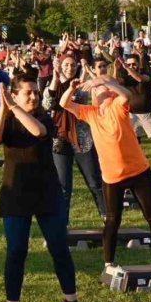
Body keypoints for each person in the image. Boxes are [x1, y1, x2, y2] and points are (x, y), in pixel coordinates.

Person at [0, 75, 81, 302]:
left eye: (35, 93)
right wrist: (4, 108)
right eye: (27, 93)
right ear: (14, 94)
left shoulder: (43, 117)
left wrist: (15, 107)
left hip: (47, 191)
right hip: (15, 193)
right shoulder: (8, 118)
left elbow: (38, 131)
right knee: (16, 251)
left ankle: (71, 301)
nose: (33, 96)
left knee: (58, 246)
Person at [59, 75, 151, 272]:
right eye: (93, 90)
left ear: (110, 91)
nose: (94, 91)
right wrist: (71, 88)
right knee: (112, 219)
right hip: (112, 177)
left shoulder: (117, 105)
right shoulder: (89, 112)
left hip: (138, 171)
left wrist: (105, 82)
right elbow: (64, 104)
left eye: (99, 89)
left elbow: (127, 95)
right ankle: (109, 263)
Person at [42, 55, 106, 223]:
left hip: (82, 140)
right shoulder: (51, 85)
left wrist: (78, 79)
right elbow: (47, 104)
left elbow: (79, 99)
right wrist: (55, 78)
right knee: (63, 188)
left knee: (95, 182)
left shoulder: (81, 86)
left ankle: (108, 218)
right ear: (61, 67)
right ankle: (62, 224)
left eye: (72, 65)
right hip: (60, 141)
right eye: (66, 65)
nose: (69, 67)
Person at [115, 54, 151, 172]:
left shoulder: (145, 73)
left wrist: (127, 68)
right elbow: (115, 82)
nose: (131, 66)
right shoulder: (126, 77)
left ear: (138, 64)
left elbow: (139, 79)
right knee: (135, 143)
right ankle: (137, 166)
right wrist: (116, 68)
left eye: (133, 64)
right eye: (129, 64)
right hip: (132, 114)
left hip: (147, 113)